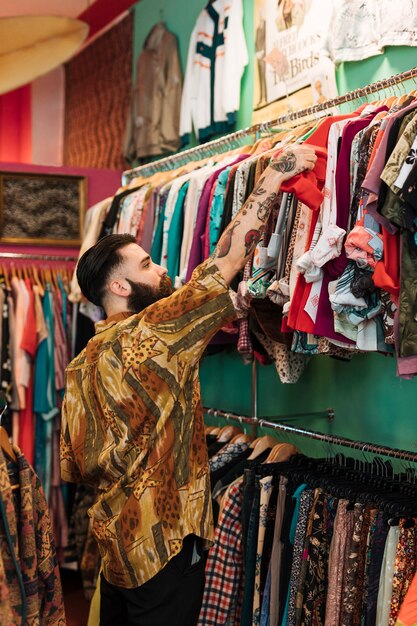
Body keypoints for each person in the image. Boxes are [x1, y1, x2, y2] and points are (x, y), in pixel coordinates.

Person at [60, 144, 317, 626]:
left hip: (116, 543)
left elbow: (77, 463)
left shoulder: (82, 363)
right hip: (164, 542)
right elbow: (226, 260)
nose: (160, 268)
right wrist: (275, 172)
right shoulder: (155, 332)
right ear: (119, 287)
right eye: (145, 265)